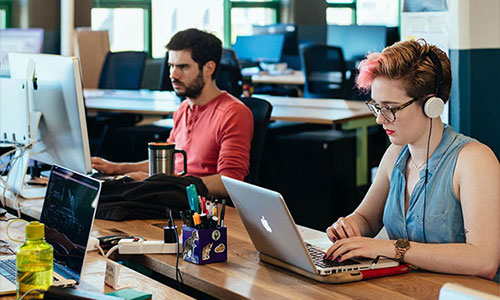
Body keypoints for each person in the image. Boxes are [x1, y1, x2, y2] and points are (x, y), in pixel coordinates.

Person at [324, 39, 500, 282]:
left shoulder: (473, 160)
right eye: (377, 106)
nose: (380, 119)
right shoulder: (397, 154)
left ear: (431, 105)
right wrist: (348, 226)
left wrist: (391, 248)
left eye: (391, 108)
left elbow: (484, 260)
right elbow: (366, 219)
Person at [92, 28, 253, 197]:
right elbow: (167, 165)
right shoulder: (183, 109)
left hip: (202, 209)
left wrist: (159, 183)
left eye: (183, 67)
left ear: (208, 68)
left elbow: (229, 182)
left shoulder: (233, 113)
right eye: (171, 66)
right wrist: (117, 168)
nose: (173, 75)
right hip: (174, 196)